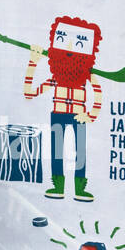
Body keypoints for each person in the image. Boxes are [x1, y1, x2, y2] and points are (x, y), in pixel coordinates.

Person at [23, 15, 104, 202]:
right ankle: (58, 186)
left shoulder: (86, 76)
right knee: (57, 152)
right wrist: (33, 63)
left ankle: (79, 188)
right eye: (61, 40)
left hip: (79, 116)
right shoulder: (56, 77)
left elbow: (98, 93)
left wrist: (91, 115)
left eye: (77, 44)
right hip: (58, 115)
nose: (68, 49)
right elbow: (29, 93)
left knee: (80, 153)